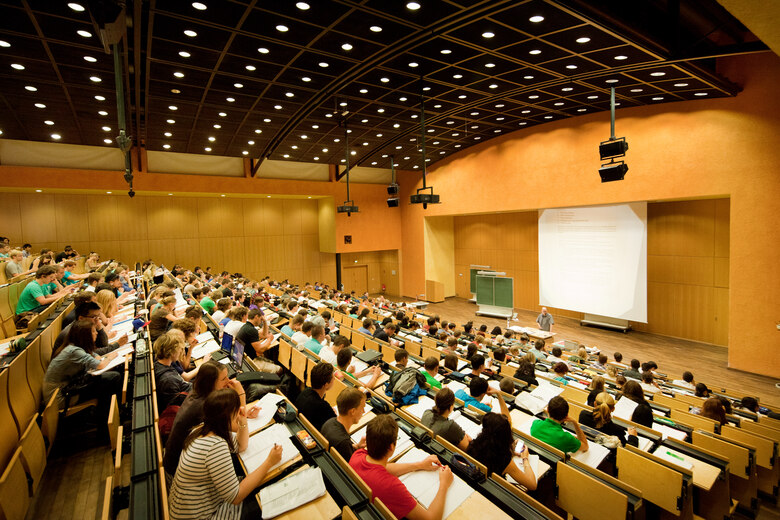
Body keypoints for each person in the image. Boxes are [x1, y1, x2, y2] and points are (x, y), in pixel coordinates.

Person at [169, 389, 281, 520]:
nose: (239, 414)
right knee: (270, 500)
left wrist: (243, 420)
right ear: (226, 417)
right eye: (236, 412)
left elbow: (241, 446)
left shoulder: (202, 429)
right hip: (202, 515)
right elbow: (236, 497)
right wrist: (269, 462)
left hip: (193, 505)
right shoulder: (215, 446)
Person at [349, 414, 453, 520]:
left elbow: (384, 468)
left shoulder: (357, 455)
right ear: (391, 447)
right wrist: (444, 484)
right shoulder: (391, 486)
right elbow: (430, 519)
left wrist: (419, 465)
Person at [43, 319, 122, 425]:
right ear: (86, 336)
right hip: (60, 399)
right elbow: (100, 364)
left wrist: (103, 358)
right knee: (112, 378)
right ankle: (107, 422)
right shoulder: (74, 351)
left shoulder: (76, 346)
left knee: (109, 379)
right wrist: (110, 357)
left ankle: (110, 418)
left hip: (69, 388)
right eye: (94, 331)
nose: (97, 333)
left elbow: (97, 358)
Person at [468, 412, 537, 489]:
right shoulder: (503, 459)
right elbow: (532, 485)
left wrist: (510, 448)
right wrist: (525, 458)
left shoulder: (474, 444)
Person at [321, 387, 367, 462]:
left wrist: (357, 446)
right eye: (362, 408)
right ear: (353, 411)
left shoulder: (329, 422)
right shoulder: (343, 443)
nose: (364, 411)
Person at [153, 332, 192, 411]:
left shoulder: (161, 364)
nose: (180, 352)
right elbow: (177, 407)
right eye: (179, 350)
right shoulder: (168, 380)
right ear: (172, 352)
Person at [295, 362, 336, 430]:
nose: (334, 379)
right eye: (333, 377)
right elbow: (335, 424)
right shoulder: (323, 407)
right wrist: (331, 412)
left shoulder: (305, 391)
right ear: (326, 384)